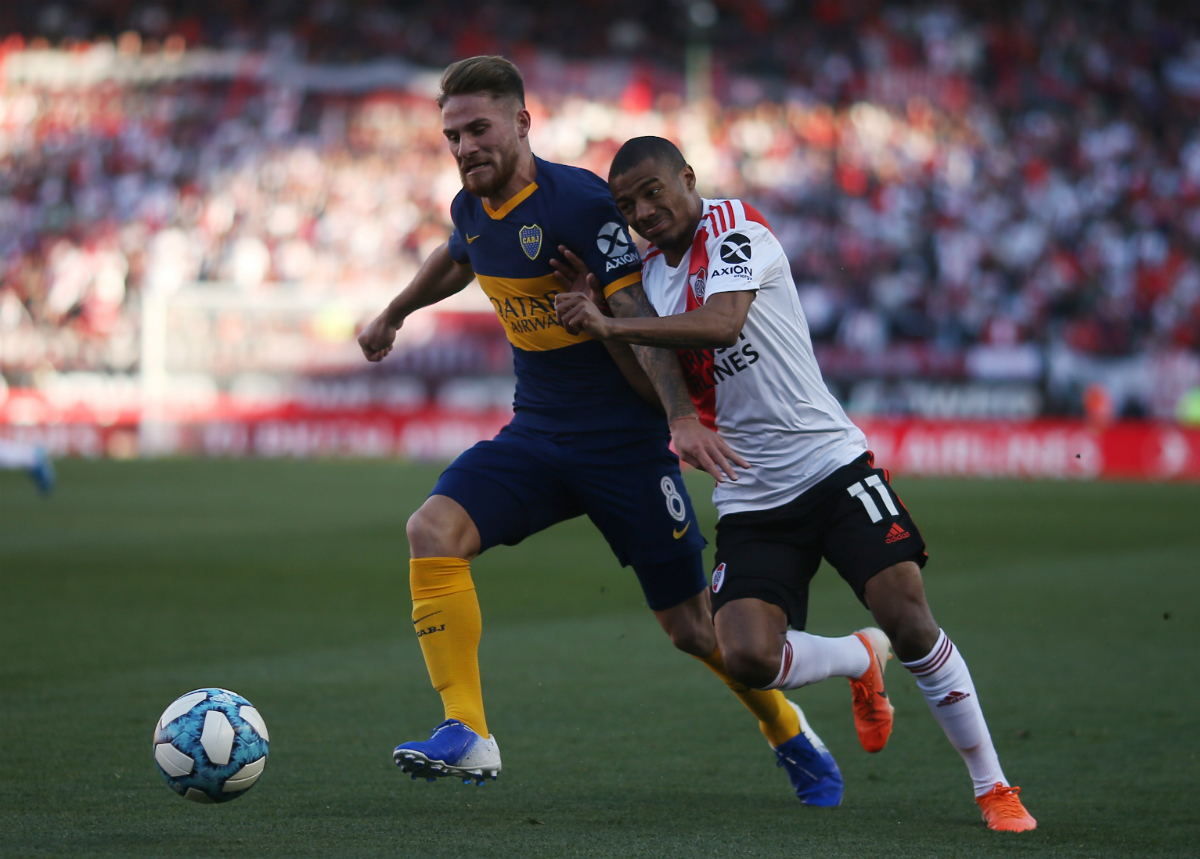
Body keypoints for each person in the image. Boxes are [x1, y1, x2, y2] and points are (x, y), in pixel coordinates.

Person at [357, 57, 876, 804]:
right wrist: (395, 312)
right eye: (452, 135)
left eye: (479, 129)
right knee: (432, 529)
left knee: (696, 631)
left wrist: (675, 417)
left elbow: (637, 321)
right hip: (536, 435)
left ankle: (786, 728)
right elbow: (459, 254)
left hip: (626, 451)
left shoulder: (583, 206)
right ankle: (467, 728)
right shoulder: (472, 207)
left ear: (522, 123)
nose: (466, 146)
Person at [553, 136, 1037, 832]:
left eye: (654, 191)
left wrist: (612, 318)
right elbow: (649, 376)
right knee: (748, 655)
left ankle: (993, 786)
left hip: (831, 467)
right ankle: (856, 657)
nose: (644, 212)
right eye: (628, 205)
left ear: (687, 178)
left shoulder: (737, 229)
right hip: (750, 491)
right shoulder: (651, 278)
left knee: (907, 614)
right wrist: (606, 331)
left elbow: (723, 325)